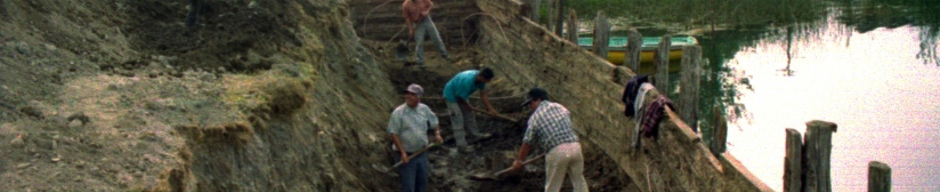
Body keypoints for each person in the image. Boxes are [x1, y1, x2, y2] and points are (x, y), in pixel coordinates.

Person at [511, 88, 588, 192]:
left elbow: (527, 142)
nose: (530, 107)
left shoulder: (535, 117)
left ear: (538, 99)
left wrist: (519, 161)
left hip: (557, 151)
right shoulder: (560, 107)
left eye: (530, 103)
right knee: (579, 183)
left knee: (552, 187)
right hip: (575, 147)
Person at [388, 84, 443, 192]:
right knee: (408, 187)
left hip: (422, 153)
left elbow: (435, 122)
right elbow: (394, 133)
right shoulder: (398, 113)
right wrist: (402, 153)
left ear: (419, 97)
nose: (408, 96)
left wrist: (437, 134)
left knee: (422, 185)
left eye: (412, 94)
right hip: (406, 156)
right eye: (407, 93)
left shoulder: (424, 109)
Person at [442, 68, 496, 152]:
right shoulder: (468, 80)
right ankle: (462, 146)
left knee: (469, 115)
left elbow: (483, 94)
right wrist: (468, 106)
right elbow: (458, 96)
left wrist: (490, 109)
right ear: (482, 77)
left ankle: (475, 135)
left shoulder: (481, 81)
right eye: (487, 80)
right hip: (451, 95)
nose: (488, 82)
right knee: (458, 119)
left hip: (461, 94)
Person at [402, 0, 449, 69]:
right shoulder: (406, 5)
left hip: (427, 20)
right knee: (419, 42)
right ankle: (421, 62)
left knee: (436, 38)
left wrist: (427, 11)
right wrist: (410, 29)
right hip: (417, 23)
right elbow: (407, 18)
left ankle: (445, 54)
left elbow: (431, 4)